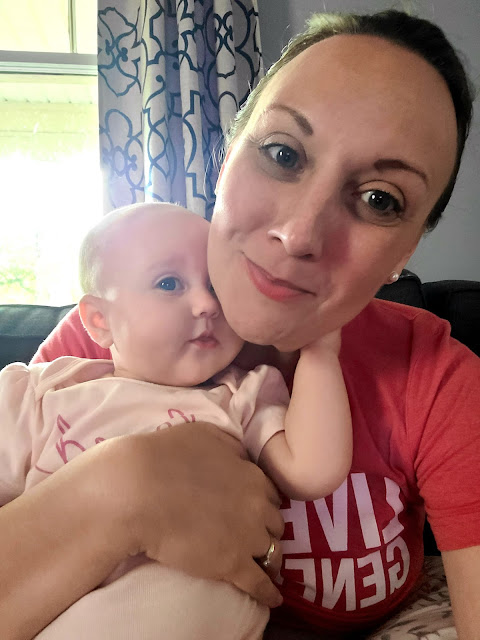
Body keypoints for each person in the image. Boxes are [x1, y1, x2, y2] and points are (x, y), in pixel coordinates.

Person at [2, 8, 479, 640]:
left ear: (407, 250)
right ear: (225, 158)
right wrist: (120, 489)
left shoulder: (436, 378)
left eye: (379, 200)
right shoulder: (114, 337)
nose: (300, 234)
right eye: (282, 153)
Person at [0, 202, 352, 639]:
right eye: (168, 283)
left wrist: (319, 350)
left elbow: (314, 473)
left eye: (216, 286)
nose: (206, 303)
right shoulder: (40, 394)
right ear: (100, 320)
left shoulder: (240, 396)